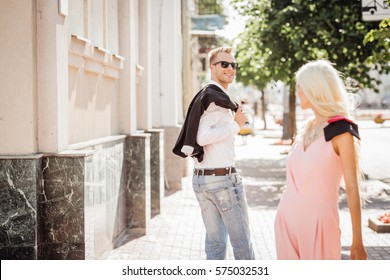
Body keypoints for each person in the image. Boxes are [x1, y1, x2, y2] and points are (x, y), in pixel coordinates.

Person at [274, 59, 368, 260]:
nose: (298, 92)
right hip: (286, 220)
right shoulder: (307, 127)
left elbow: (352, 187)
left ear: (314, 89)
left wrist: (357, 240)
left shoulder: (342, 130)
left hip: (320, 223)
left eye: (301, 86)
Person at [173, 46, 255, 260]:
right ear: (212, 67)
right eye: (224, 64)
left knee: (216, 245)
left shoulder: (208, 95)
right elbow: (202, 137)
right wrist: (236, 125)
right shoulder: (215, 98)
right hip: (222, 181)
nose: (230, 68)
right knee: (242, 247)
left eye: (233, 65)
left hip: (203, 180)